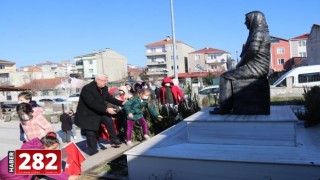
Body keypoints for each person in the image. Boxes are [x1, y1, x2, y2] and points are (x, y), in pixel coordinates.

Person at [210, 11, 270, 114]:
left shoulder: (258, 33)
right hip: (258, 67)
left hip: (256, 68)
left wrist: (239, 64)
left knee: (224, 76)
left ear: (254, 20)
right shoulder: (261, 32)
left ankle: (225, 107)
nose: (245, 23)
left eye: (247, 20)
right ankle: (229, 106)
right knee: (228, 75)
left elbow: (252, 51)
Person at [75, 74, 124, 155]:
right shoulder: (87, 89)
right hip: (87, 114)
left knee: (108, 120)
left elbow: (108, 98)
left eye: (106, 80)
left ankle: (113, 140)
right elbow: (92, 103)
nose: (106, 82)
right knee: (91, 132)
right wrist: (106, 109)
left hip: (99, 111)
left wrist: (121, 103)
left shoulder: (103, 88)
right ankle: (92, 150)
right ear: (98, 80)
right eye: (105, 81)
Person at [0, 132, 78, 180]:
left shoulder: (32, 146)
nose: (55, 151)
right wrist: (67, 177)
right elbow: (49, 170)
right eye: (53, 148)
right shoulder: (39, 153)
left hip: (3, 165)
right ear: (45, 146)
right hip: (11, 173)